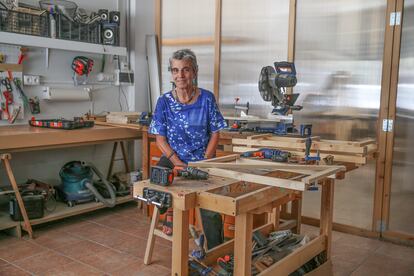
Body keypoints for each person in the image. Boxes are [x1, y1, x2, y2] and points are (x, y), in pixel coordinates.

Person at [149, 48, 227, 248]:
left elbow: (216, 132)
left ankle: (216, 251)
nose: (180, 75)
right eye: (175, 70)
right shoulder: (164, 101)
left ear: (194, 72)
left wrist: (203, 161)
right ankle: (170, 213)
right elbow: (160, 139)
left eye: (185, 70)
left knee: (211, 204)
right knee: (158, 178)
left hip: (203, 157)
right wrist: (178, 163)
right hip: (174, 156)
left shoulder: (207, 98)